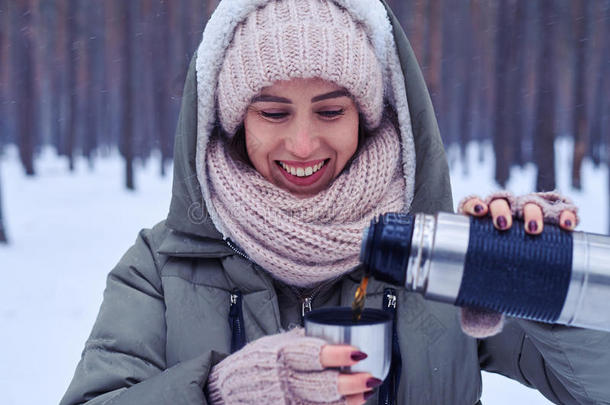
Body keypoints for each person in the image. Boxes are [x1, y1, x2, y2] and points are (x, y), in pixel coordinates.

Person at [60, 1, 610, 404]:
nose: (302, 145)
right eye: (273, 113)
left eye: (330, 111)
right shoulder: (162, 268)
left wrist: (550, 283)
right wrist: (216, 394)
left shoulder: (440, 257)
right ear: (231, 123)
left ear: (367, 116)